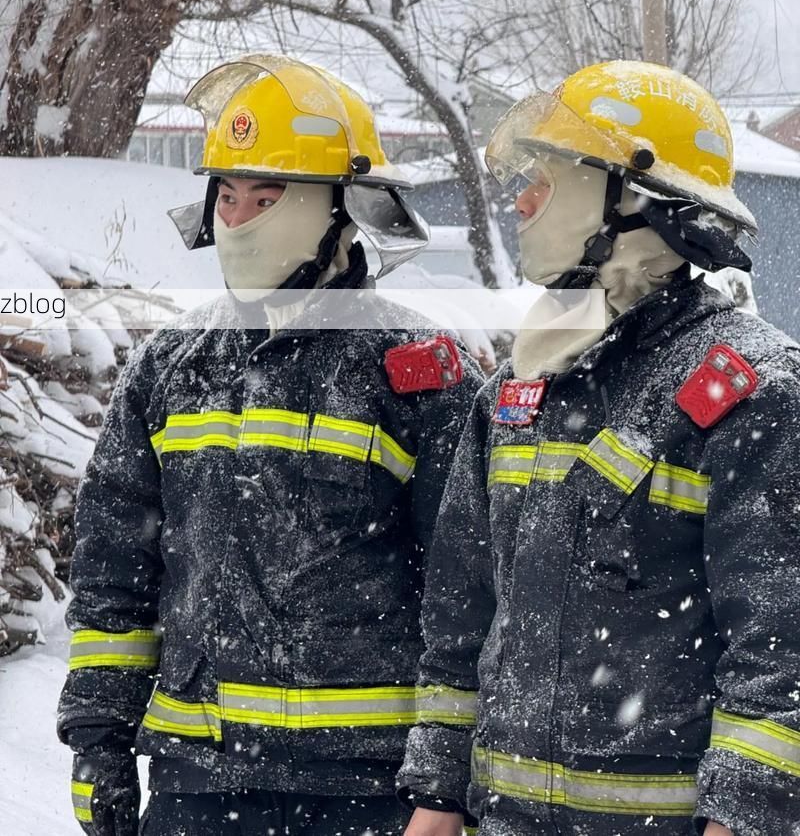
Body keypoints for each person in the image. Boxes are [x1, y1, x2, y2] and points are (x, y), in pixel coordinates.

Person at [58, 54, 482, 836]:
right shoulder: (170, 365)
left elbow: (465, 596)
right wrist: (99, 741)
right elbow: (114, 573)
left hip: (365, 788)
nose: (239, 216)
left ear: (341, 208)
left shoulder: (417, 370)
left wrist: (446, 782)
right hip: (196, 781)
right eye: (227, 194)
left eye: (267, 195)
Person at [398, 60, 800, 836]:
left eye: (545, 180)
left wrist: (743, 819)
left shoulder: (752, 392)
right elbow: (460, 625)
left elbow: (781, 652)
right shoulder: (515, 396)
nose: (520, 202)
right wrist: (436, 800)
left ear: (630, 197)